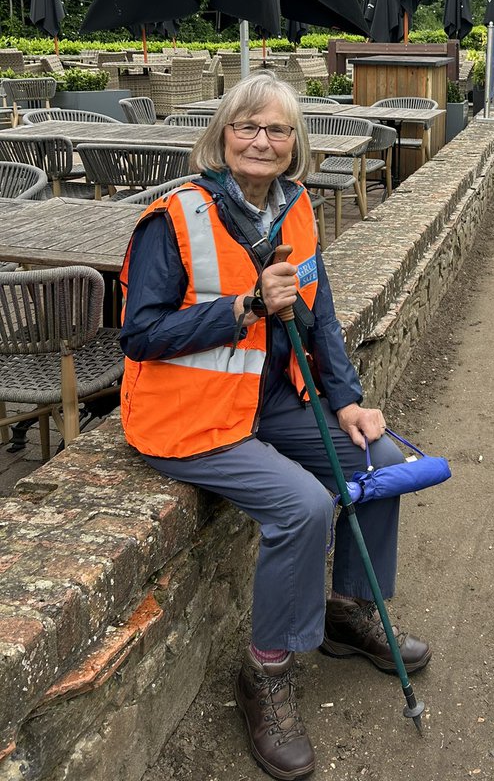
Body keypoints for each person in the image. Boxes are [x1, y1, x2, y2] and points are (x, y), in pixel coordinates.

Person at [120, 73, 430, 781]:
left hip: (271, 400)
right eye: (247, 127)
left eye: (278, 130)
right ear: (221, 135)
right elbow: (138, 336)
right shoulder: (176, 217)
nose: (262, 141)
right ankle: (265, 671)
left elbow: (318, 315)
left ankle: (351, 610)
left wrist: (346, 399)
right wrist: (243, 308)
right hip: (188, 413)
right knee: (304, 505)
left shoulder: (294, 209)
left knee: (376, 459)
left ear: (296, 146)